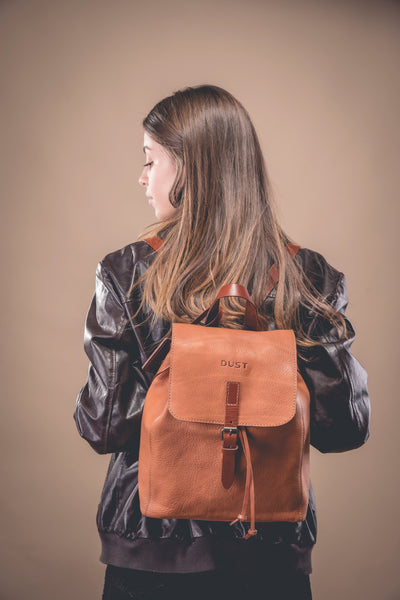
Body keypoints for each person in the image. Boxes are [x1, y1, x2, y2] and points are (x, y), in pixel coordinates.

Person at [73, 84, 370, 600]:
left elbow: (105, 425)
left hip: (151, 556)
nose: (142, 177)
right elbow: (343, 427)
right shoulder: (308, 276)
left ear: (187, 168)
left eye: (151, 160)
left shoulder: (127, 272)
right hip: (271, 551)